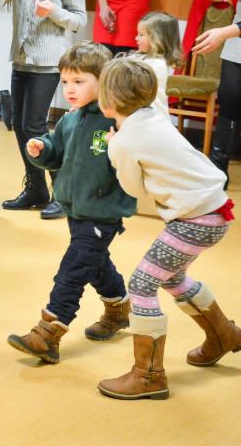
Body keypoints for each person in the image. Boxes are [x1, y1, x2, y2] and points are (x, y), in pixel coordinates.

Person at [96, 57, 238, 401]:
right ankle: (224, 335)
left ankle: (148, 376)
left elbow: (134, 190)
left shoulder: (124, 141)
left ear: (109, 99)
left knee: (141, 284)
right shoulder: (154, 115)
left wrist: (113, 149)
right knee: (172, 278)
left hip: (195, 219)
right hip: (212, 210)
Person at [7, 43, 135, 364]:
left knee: (74, 269)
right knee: (94, 263)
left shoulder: (116, 121)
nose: (69, 89)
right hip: (75, 209)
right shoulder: (70, 119)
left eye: (79, 81)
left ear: (103, 81)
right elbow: (57, 152)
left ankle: (48, 333)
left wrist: (122, 144)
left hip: (102, 212)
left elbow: (132, 163)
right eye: (65, 81)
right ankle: (119, 309)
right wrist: (42, 150)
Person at [0, 0, 87, 221]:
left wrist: (55, 12)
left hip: (48, 63)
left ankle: (61, 192)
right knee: (19, 125)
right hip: (21, 60)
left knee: (34, 125)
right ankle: (35, 189)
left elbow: (79, 20)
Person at [195, 0, 241, 183]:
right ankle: (218, 166)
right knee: (230, 93)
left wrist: (225, 32)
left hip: (236, 28)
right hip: (238, 27)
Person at [132, 11, 183, 118]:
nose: (136, 38)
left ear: (157, 39)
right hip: (141, 114)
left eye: (141, 35)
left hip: (154, 117)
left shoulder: (157, 64)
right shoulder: (140, 56)